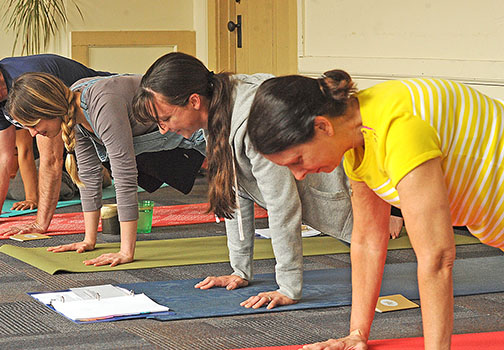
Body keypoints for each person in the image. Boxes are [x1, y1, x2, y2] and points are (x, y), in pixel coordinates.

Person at [246, 71, 504, 350]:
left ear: (322, 126)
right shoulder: (359, 138)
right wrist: (357, 334)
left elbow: (437, 257)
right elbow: (368, 240)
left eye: (298, 160)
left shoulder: (396, 131)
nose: (299, 175)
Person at [132, 52, 361, 309]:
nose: (164, 129)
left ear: (194, 101)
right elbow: (235, 190)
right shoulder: (219, 108)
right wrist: (240, 271)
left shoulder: (254, 120)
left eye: (165, 119)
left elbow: (283, 204)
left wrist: (288, 287)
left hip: (353, 196)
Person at [5, 72, 206, 266]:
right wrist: (88, 240)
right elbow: (88, 176)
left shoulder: (101, 103)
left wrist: (126, 252)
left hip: (201, 124)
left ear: (47, 108)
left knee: (234, 188)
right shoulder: (74, 110)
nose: (32, 134)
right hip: (179, 137)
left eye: (33, 124)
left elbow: (124, 175)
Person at [0, 52, 112, 235]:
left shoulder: (30, 82)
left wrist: (40, 224)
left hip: (117, 107)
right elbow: (0, 156)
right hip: (88, 131)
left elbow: (51, 159)